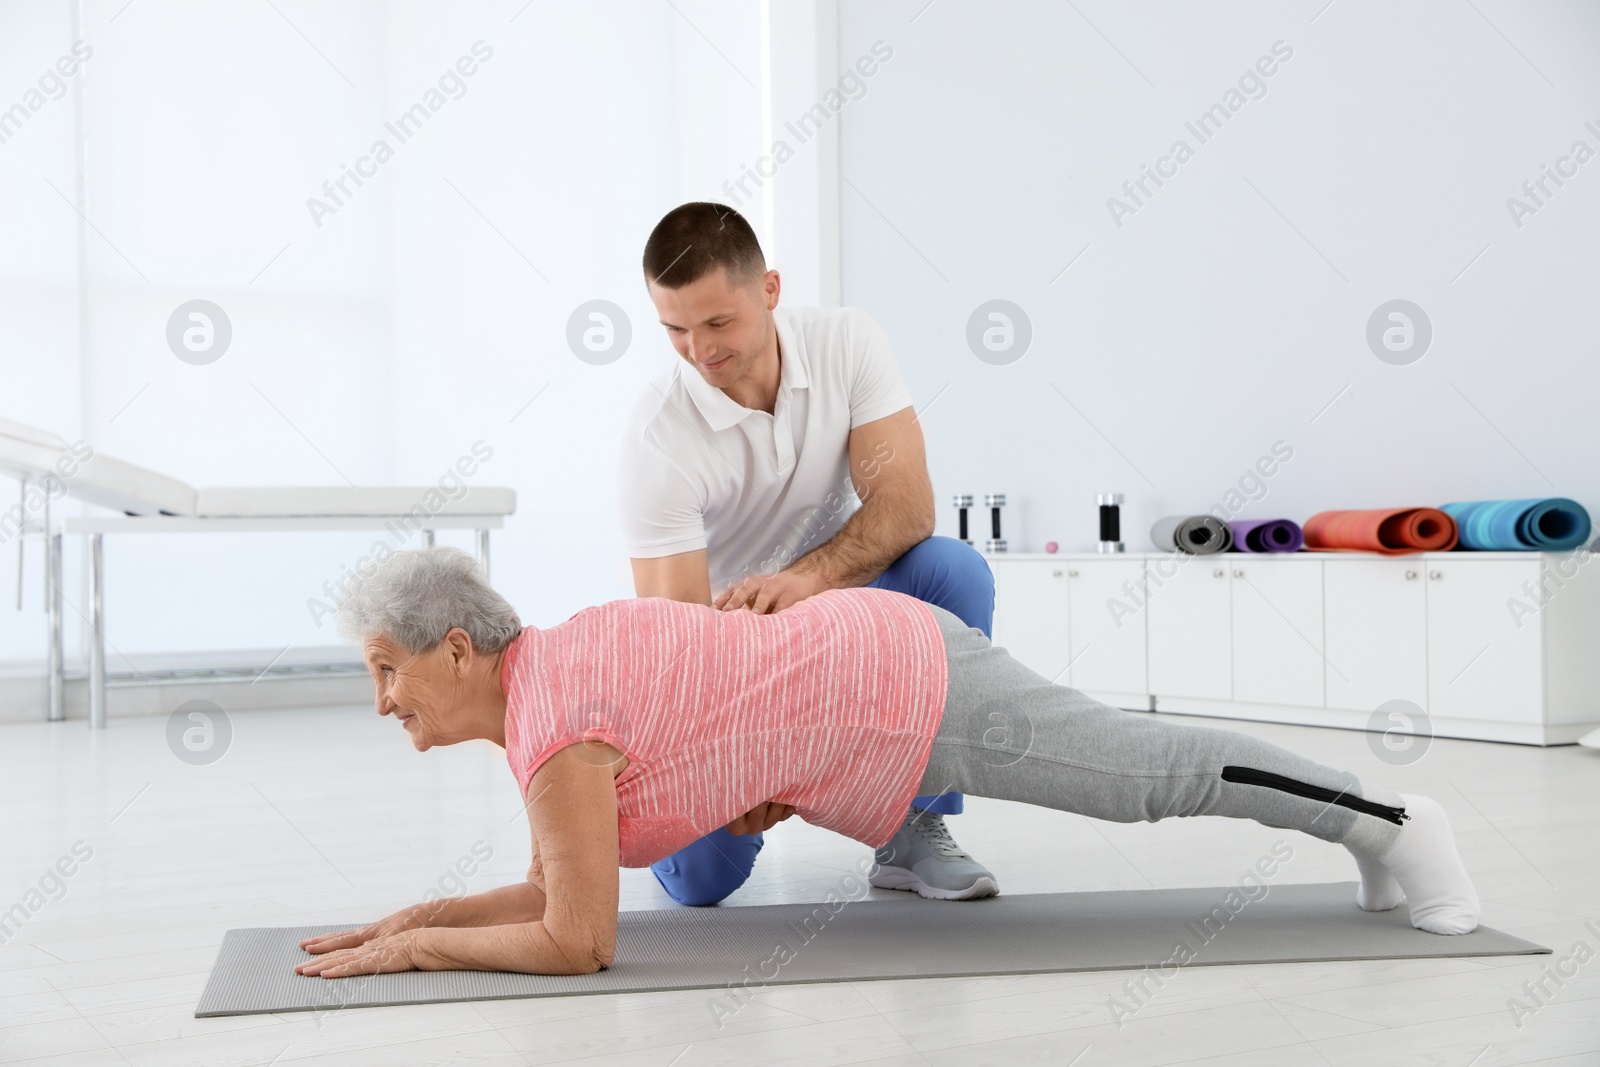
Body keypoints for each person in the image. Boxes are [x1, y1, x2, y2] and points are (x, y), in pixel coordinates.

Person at [295, 548, 1480, 980]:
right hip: (875, 685)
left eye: (387, 668)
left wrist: (417, 947)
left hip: (904, 689)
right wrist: (406, 917)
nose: (383, 699)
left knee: (1140, 775)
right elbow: (563, 896)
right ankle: (1375, 827)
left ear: (459, 649)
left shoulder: (554, 718)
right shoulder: (550, 687)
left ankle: (1390, 819)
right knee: (1140, 774)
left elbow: (577, 941)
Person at [619, 202, 996, 905]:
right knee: (703, 883)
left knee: (952, 570)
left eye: (717, 322)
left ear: (770, 290)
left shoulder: (847, 343)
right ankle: (653, 816)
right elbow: (677, 645)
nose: (699, 351)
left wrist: (805, 580)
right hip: (728, 658)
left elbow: (907, 507)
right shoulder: (658, 436)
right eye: (675, 329)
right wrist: (755, 764)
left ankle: (915, 823)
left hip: (838, 601)